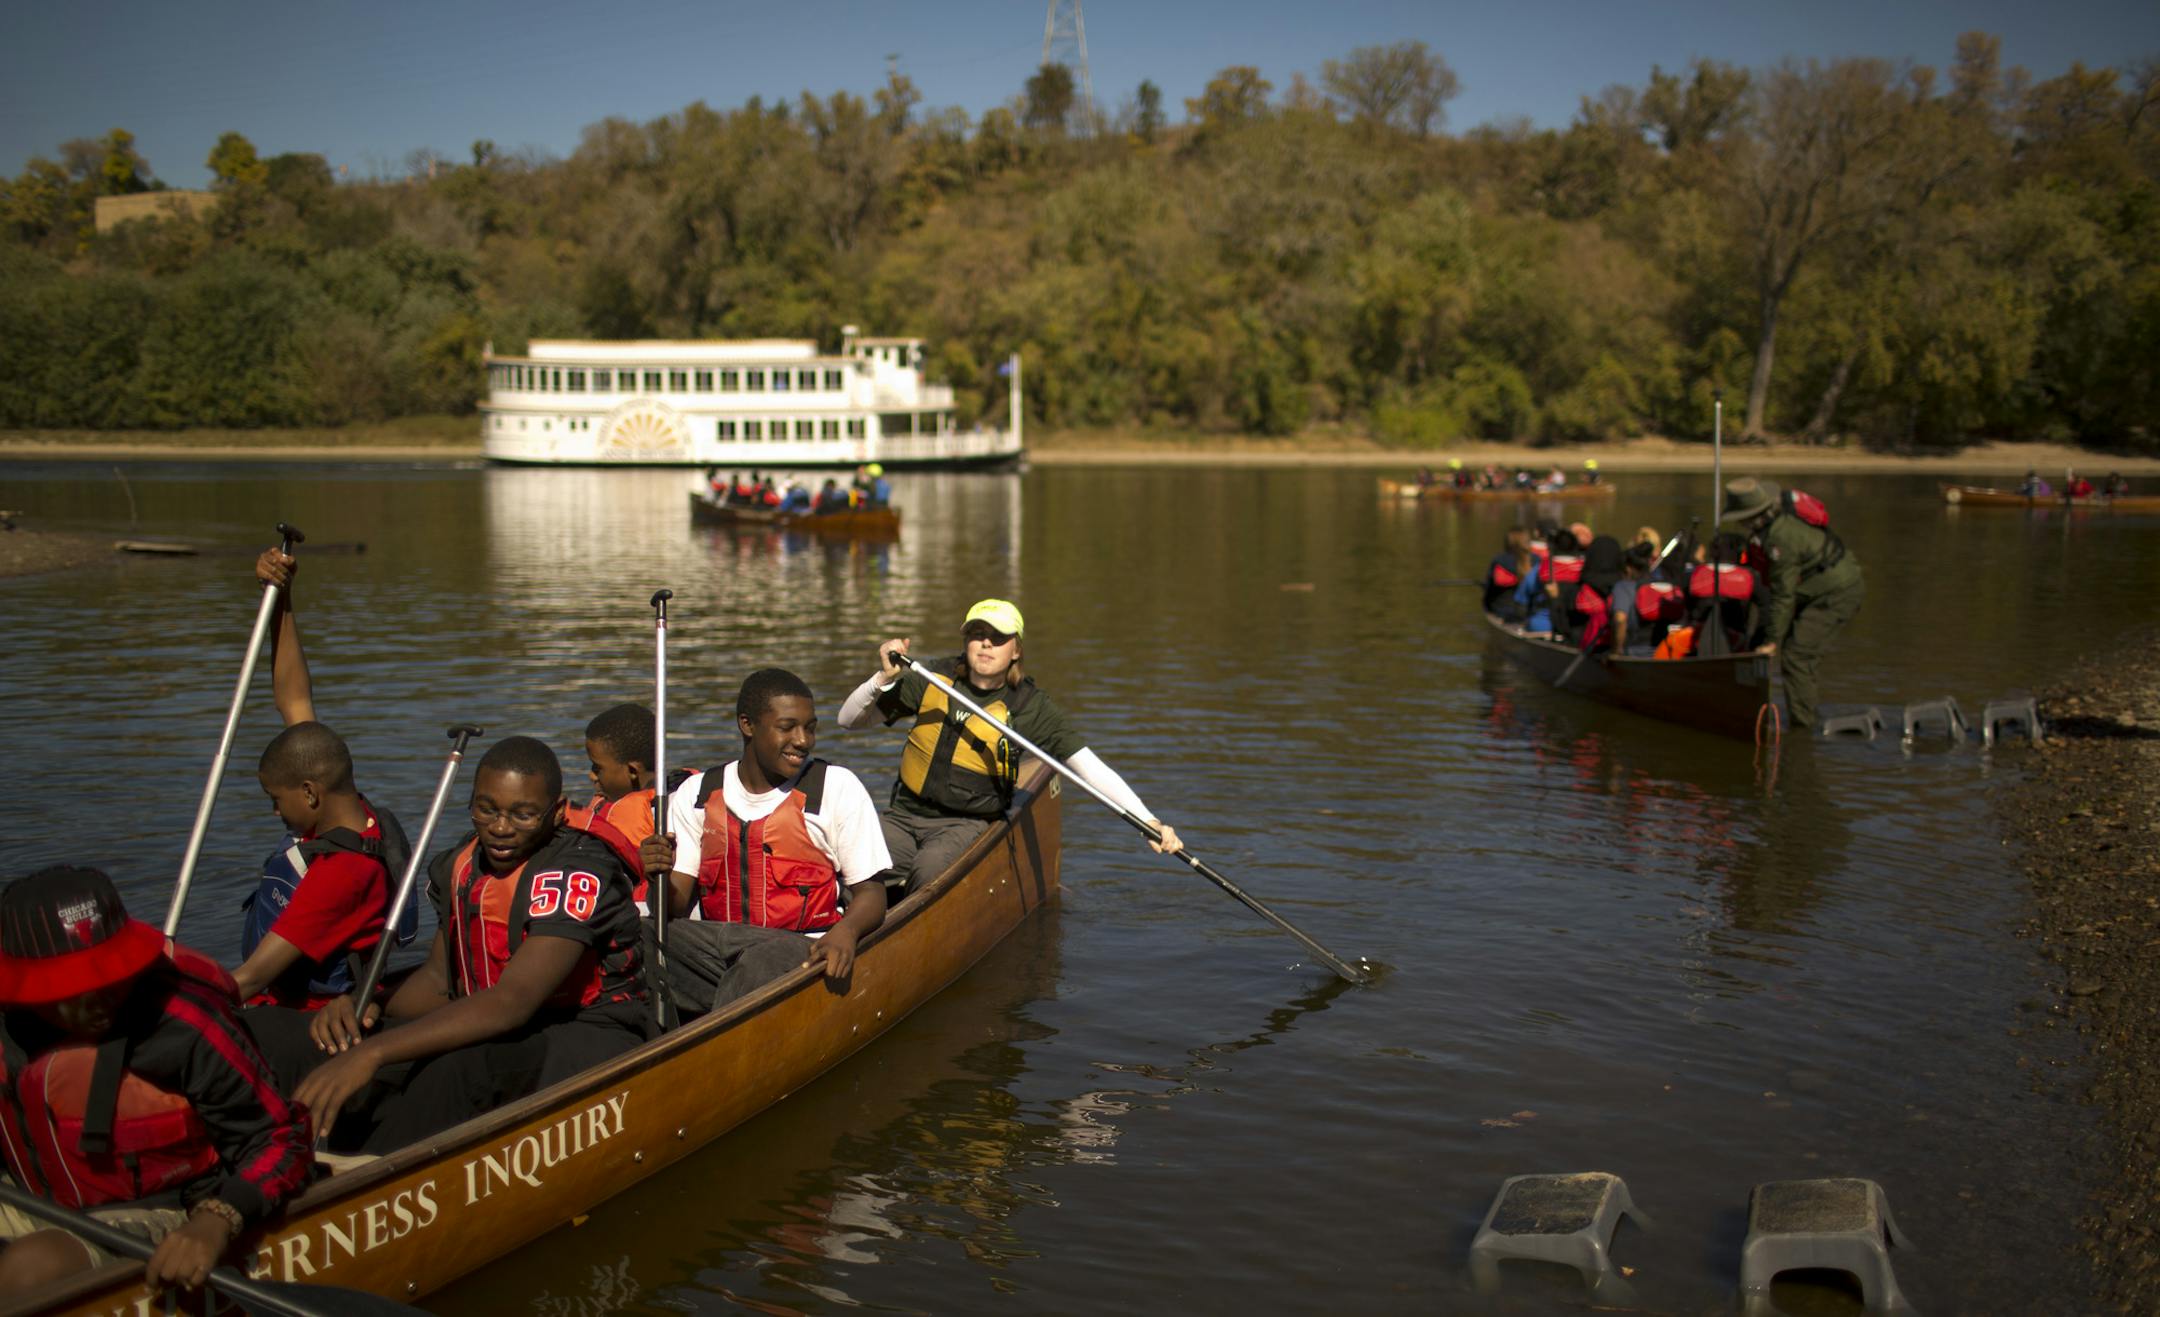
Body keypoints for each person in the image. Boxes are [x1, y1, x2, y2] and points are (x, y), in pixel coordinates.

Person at [286, 736, 652, 1154]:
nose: (500, 827)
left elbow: (513, 1002)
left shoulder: (576, 871)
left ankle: (374, 1172)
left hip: (589, 1029)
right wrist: (367, 1002)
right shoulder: (462, 863)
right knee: (303, 1040)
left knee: (456, 1067)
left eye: (523, 814)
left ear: (554, 813)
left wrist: (374, 1054)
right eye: (487, 809)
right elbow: (439, 981)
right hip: (500, 1019)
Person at [0, 868, 311, 1294]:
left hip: (171, 1211)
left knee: (29, 1269)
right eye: (72, 988)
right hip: (29, 1196)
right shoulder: (7, 1027)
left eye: (107, 976)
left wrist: (218, 1220)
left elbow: (282, 1139)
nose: (99, 999)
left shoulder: (184, 1023)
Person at [839, 600, 1183, 889]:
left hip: (963, 824)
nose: (986, 644)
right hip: (903, 816)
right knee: (847, 863)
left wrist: (1147, 822)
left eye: (998, 637)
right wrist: (882, 678)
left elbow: (1088, 767)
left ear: (1016, 649)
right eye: (977, 635)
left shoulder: (1030, 707)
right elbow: (849, 720)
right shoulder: (931, 678)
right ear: (966, 643)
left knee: (928, 872)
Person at [642, 670, 893, 1016]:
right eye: (787, 727)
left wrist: (846, 931)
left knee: (760, 961)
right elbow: (674, 904)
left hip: (802, 947)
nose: (803, 740)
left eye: (810, 727)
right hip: (718, 941)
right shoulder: (697, 793)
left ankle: (715, 1044)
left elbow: (873, 894)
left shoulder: (835, 788)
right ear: (747, 725)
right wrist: (657, 871)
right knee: (636, 933)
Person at [235, 549, 411, 1010]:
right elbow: (293, 698)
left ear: (309, 792)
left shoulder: (340, 875)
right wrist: (281, 599)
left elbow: (249, 981)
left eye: (275, 799)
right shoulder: (348, 805)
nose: (275, 810)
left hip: (298, 1024)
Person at [1718, 476, 1865, 730]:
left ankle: (1803, 727)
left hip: (1836, 592)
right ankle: (1804, 709)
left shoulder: (1779, 539)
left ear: (1750, 516)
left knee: (1796, 655)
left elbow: (1783, 594)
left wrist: (1772, 642)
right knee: (1795, 648)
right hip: (1817, 588)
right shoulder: (1773, 524)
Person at [1559, 535, 1625, 650]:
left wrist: (1554, 599)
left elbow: (1563, 627)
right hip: (1612, 649)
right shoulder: (1624, 590)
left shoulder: (1575, 591)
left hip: (1582, 651)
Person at [1483, 529, 1536, 621]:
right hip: (1531, 611)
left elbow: (1489, 589)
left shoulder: (1499, 560)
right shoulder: (1537, 560)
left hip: (1502, 610)